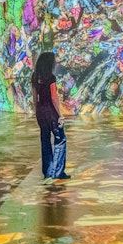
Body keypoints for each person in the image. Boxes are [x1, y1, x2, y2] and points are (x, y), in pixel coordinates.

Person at [31, 52, 70, 180]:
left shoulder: (35, 77)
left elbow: (34, 97)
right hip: (51, 111)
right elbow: (54, 97)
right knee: (60, 139)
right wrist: (60, 115)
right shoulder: (51, 78)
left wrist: (37, 112)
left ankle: (47, 171)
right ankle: (57, 172)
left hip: (41, 111)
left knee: (45, 140)